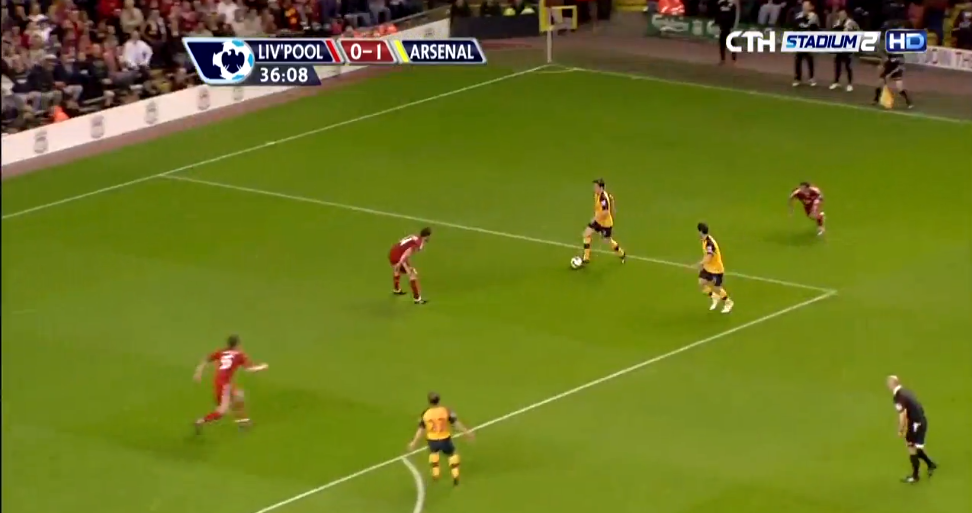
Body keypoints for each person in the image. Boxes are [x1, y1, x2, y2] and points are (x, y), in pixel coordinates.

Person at [193, 335, 268, 433]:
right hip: (224, 385)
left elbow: (206, 359)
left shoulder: (222, 352)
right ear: (237, 344)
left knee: (239, 396)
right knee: (221, 412)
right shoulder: (239, 355)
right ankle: (200, 422)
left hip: (220, 381)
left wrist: (198, 372)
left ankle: (243, 421)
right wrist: (262, 367)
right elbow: (250, 369)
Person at [408, 392, 474, 485]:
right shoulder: (446, 410)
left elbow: (421, 430)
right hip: (445, 438)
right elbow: (456, 424)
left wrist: (414, 442)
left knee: (434, 454)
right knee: (452, 454)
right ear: (439, 400)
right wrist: (467, 433)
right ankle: (455, 475)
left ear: (429, 402)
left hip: (432, 440)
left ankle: (435, 473)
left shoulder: (425, 413)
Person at [886, 376, 937, 483]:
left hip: (915, 423)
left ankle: (915, 476)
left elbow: (902, 414)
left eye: (888, 383)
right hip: (920, 420)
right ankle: (930, 464)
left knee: (911, 447)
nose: (887, 385)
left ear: (892, 384)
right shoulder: (906, 391)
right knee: (915, 447)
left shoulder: (898, 397)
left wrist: (901, 429)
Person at [579, 179, 626, 267]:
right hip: (598, 221)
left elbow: (606, 212)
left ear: (601, 188)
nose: (594, 188)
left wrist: (595, 218)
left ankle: (621, 253)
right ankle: (586, 258)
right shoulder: (597, 194)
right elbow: (610, 199)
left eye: (596, 187)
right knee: (586, 234)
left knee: (607, 241)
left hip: (605, 224)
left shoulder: (603, 198)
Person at [697, 222, 733, 313]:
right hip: (708, 267)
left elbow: (709, 256)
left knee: (717, 288)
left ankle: (728, 302)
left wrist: (701, 263)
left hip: (716, 269)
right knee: (701, 282)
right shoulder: (705, 240)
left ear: (700, 231)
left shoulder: (709, 243)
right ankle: (714, 297)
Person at [389, 228, 431, 304]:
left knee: (397, 270)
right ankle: (417, 299)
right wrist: (400, 263)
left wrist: (401, 241)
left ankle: (396, 289)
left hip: (394, 251)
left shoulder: (415, 237)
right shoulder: (418, 244)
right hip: (399, 256)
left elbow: (410, 236)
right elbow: (406, 254)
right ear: (426, 236)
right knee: (412, 274)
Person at [829, 9, 858, 91]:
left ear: (846, 15)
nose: (841, 16)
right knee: (837, 65)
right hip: (839, 46)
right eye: (840, 14)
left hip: (847, 46)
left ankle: (849, 84)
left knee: (847, 66)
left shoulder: (851, 23)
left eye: (843, 14)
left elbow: (857, 32)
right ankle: (836, 81)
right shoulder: (836, 22)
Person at [792, 1, 819, 87]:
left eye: (807, 6)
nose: (805, 7)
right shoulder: (798, 16)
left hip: (809, 41)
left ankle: (811, 78)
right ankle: (797, 79)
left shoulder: (814, 17)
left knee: (810, 60)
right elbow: (795, 28)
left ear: (810, 7)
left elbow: (815, 29)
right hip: (799, 40)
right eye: (804, 6)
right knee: (798, 60)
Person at [715, 0, 738, 65]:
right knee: (722, 43)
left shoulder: (732, 5)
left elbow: (734, 16)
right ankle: (723, 59)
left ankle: (733, 59)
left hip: (728, 27)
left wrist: (733, 26)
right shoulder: (720, 4)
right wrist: (717, 23)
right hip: (722, 27)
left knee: (731, 43)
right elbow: (717, 14)